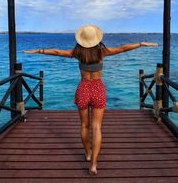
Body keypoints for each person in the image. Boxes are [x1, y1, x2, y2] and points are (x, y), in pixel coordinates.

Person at [23, 24, 158, 175]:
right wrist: (140, 44)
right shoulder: (102, 51)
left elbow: (57, 52)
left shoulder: (77, 52)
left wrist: (39, 51)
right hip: (98, 89)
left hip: (83, 89)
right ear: (96, 39)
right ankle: (93, 164)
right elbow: (123, 48)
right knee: (96, 127)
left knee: (84, 126)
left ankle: (87, 154)